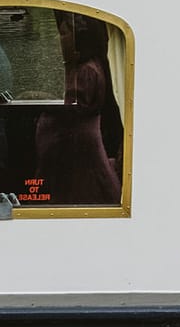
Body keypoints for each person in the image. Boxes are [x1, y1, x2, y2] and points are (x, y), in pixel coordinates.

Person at [34, 14, 121, 207]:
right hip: (69, 152)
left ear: (79, 39)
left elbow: (72, 109)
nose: (59, 39)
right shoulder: (75, 67)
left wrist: (38, 98)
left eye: (63, 33)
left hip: (78, 154)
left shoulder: (87, 71)